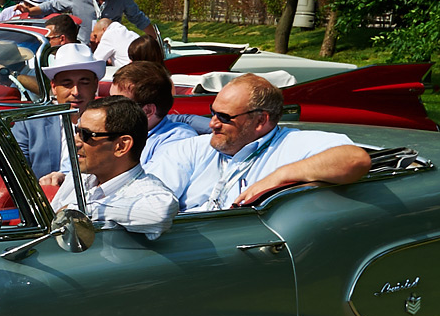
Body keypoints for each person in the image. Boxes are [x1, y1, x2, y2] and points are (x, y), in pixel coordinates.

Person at [148, 73, 371, 212]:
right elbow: (146, 199)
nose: (212, 124)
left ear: (260, 120)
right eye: (212, 112)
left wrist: (278, 177)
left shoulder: (290, 144)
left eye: (225, 117)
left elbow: (354, 159)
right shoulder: (192, 148)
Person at [38, 97, 179, 239]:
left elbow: (160, 213)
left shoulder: (150, 194)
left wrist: (80, 211)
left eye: (85, 135)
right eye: (76, 131)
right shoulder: (79, 179)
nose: (75, 141)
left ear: (121, 146)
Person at [11, 42, 103, 179]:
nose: (76, 92)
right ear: (54, 87)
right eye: (67, 84)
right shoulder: (28, 124)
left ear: (95, 85)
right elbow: (18, 175)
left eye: (84, 83)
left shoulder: (109, 124)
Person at [108, 61, 199, 169]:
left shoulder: (178, 142)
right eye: (109, 99)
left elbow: (151, 183)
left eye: (118, 103)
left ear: (147, 111)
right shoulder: (117, 130)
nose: (108, 108)